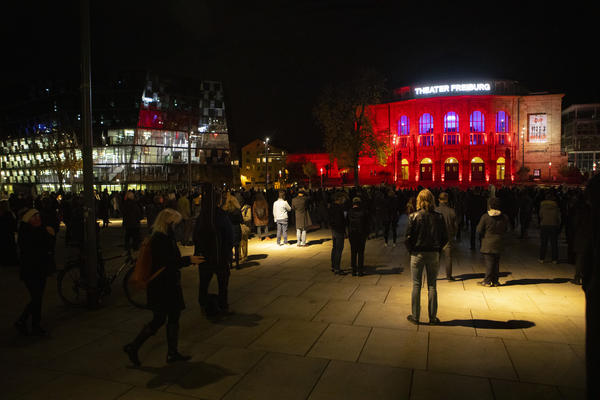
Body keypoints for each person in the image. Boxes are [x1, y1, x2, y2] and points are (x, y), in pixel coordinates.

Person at [123, 209, 203, 366]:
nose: (177, 226)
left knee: (167, 318)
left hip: (166, 285)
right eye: (175, 222)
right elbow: (168, 262)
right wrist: (189, 259)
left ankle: (168, 352)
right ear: (168, 221)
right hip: (163, 286)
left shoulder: (165, 236)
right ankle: (136, 347)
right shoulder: (160, 239)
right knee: (163, 319)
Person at [405, 189, 448, 325]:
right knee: (432, 285)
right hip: (433, 253)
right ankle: (433, 318)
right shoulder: (439, 217)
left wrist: (412, 250)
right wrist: (438, 249)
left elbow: (407, 237)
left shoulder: (413, 216)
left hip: (417, 253)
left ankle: (416, 316)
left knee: (416, 285)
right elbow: (445, 237)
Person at [14, 208, 56, 336]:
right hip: (31, 270)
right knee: (36, 298)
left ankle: (30, 323)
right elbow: (33, 248)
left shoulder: (40, 230)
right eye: (34, 217)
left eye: (38, 216)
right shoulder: (26, 232)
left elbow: (49, 246)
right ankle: (27, 322)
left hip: (40, 269)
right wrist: (46, 233)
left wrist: (49, 234)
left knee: (37, 298)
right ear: (27, 219)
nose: (37, 219)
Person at [194, 187, 234, 317]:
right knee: (223, 285)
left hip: (204, 256)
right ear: (218, 201)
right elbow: (229, 236)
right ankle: (223, 306)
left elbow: (196, 235)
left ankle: (203, 304)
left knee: (204, 283)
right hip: (220, 256)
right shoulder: (221, 215)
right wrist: (228, 253)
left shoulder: (202, 216)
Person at [476, 197, 510, 287]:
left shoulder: (485, 217)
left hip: (488, 242)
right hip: (499, 242)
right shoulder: (504, 217)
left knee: (489, 263)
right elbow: (506, 229)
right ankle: (495, 281)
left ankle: (487, 281)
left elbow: (479, 229)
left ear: (490, 205)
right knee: (496, 262)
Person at [435, 192, 458, 281]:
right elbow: (456, 226)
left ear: (439, 200)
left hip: (437, 237)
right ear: (447, 200)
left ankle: (434, 275)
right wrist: (453, 234)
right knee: (448, 258)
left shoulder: (435, 210)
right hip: (448, 237)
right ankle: (449, 276)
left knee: (436, 258)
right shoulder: (451, 211)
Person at [347, 197, 369, 276]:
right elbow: (367, 224)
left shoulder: (349, 212)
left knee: (353, 252)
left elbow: (347, 223)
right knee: (360, 252)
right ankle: (360, 270)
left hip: (352, 234)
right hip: (361, 234)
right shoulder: (364, 212)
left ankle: (353, 269)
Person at [538, 193, 561, 263]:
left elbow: (540, 215)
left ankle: (542, 258)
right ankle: (554, 259)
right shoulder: (556, 206)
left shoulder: (542, 206)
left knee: (543, 243)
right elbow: (559, 217)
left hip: (544, 225)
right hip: (553, 225)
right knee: (554, 243)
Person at [222, 192, 242, 268]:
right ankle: (237, 264)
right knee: (236, 247)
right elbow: (241, 220)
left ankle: (230, 264)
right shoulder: (237, 210)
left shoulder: (225, 211)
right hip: (236, 228)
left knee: (229, 247)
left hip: (228, 229)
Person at [329, 194, 347, 274]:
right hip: (339, 230)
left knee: (334, 248)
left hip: (334, 229)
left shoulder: (331, 207)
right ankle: (337, 268)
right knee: (339, 249)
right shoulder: (339, 208)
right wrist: (344, 231)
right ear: (338, 199)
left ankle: (333, 266)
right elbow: (341, 221)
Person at [122, 191, 143, 255]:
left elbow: (123, 213)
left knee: (127, 237)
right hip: (135, 224)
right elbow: (138, 214)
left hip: (128, 223)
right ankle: (135, 250)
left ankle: (127, 249)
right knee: (135, 237)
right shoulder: (135, 204)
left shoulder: (125, 204)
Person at [0, 200, 19, 267]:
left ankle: (4, 261)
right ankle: (11, 261)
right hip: (9, 233)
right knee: (10, 247)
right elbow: (13, 223)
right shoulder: (9, 213)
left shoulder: (2, 214)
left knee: (3, 247)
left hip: (2, 234)